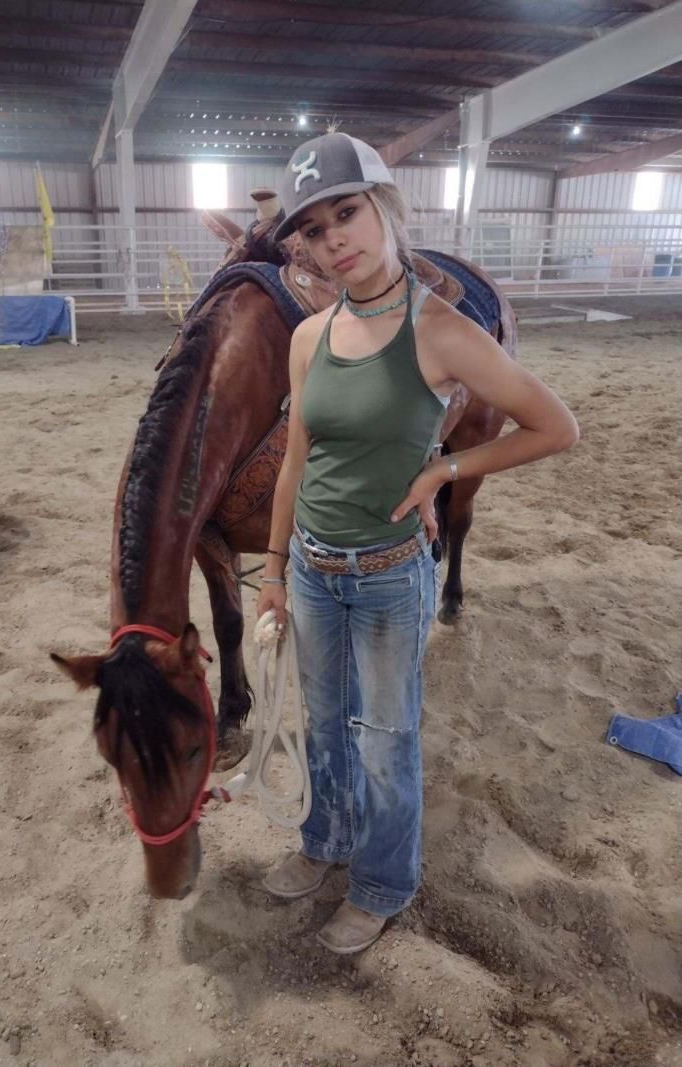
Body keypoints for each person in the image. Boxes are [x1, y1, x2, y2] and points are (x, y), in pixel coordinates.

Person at [257, 131, 579, 955]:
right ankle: (323, 842)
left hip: (391, 573)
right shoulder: (309, 337)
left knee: (386, 740)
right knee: (324, 725)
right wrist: (272, 568)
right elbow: (298, 457)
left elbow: (555, 426)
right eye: (317, 231)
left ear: (384, 209)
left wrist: (447, 467)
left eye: (348, 214)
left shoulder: (442, 330)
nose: (336, 240)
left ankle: (382, 883)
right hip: (315, 571)